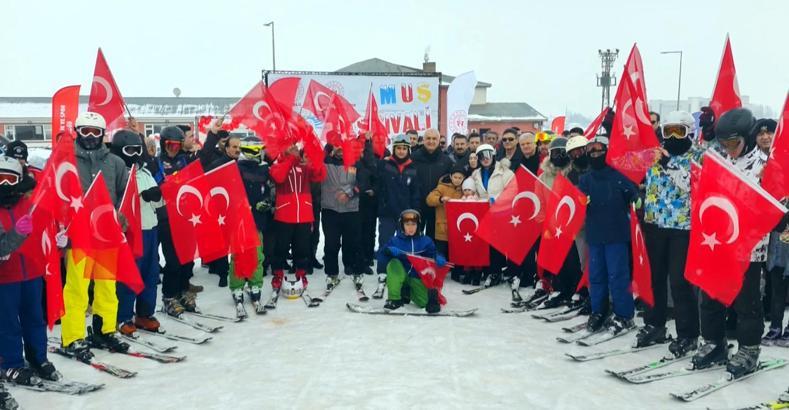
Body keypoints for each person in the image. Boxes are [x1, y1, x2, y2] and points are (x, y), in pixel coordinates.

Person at [691, 108, 770, 378]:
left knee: (746, 300)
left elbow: (772, 204)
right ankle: (714, 341)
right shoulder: (721, 161)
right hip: (718, 243)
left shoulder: (764, 165)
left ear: (747, 138)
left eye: (734, 144)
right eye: (724, 144)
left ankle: (749, 348)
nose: (729, 149)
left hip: (748, 247)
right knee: (711, 295)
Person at [61, 112, 130, 359]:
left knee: (107, 287)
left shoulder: (115, 163)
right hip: (78, 236)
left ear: (103, 134)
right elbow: (56, 195)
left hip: (106, 235)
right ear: (77, 132)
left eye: (96, 132)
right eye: (85, 131)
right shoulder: (65, 162)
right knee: (77, 289)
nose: (90, 136)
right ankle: (72, 337)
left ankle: (105, 330)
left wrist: (122, 215)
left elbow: (125, 193)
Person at [636, 111, 704, 354]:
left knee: (679, 282)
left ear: (689, 132)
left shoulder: (697, 155)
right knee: (653, 277)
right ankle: (655, 324)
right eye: (668, 131)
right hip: (655, 223)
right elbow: (627, 164)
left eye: (679, 131)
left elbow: (692, 185)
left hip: (682, 227)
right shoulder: (654, 153)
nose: (673, 137)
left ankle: (688, 334)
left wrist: (670, 165)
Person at [0, 156, 60, 385]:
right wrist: (17, 232)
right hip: (5, 277)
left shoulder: (31, 203)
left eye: (10, 179)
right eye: (0, 179)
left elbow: (48, 225)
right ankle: (11, 363)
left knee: (35, 319)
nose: (5, 185)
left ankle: (38, 358)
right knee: (7, 323)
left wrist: (60, 239)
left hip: (32, 273)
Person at [579, 135, 639, 336]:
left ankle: (624, 314)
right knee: (596, 276)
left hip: (616, 234)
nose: (595, 154)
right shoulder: (585, 178)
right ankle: (599, 310)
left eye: (599, 150)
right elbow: (578, 200)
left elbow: (634, 195)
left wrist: (637, 200)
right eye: (592, 151)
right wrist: (581, 201)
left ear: (607, 151)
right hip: (595, 234)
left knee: (618, 275)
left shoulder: (619, 175)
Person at [110, 130, 164, 336]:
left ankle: (144, 313)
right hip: (131, 232)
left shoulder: (145, 171)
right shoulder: (118, 171)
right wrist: (142, 196)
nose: (134, 154)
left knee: (150, 274)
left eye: (137, 150)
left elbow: (158, 201)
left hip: (150, 228)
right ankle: (123, 315)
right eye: (129, 150)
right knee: (129, 275)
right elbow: (121, 201)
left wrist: (157, 195)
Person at [269, 143, 326, 291]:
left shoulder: (304, 166)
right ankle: (278, 274)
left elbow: (319, 175)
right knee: (281, 248)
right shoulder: (277, 165)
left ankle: (301, 273)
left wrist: (315, 161)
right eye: (289, 146)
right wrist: (291, 160)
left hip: (304, 215)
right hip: (284, 215)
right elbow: (279, 178)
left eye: (294, 145)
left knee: (302, 248)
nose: (293, 147)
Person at [538, 138, 583, 307]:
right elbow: (540, 199)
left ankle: (576, 290)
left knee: (573, 259)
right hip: (553, 225)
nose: (559, 156)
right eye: (555, 152)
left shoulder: (573, 173)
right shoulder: (544, 176)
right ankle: (559, 288)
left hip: (572, 224)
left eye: (562, 152)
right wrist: (544, 220)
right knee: (557, 259)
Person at [320, 142, 371, 290]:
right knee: (331, 244)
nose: (341, 149)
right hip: (330, 209)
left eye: (344, 146)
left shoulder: (356, 162)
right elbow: (315, 172)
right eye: (337, 146)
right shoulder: (325, 162)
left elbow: (363, 181)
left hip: (351, 210)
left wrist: (349, 193)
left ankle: (358, 272)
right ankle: (331, 274)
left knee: (354, 243)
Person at [228, 142, 270, 317]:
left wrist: (266, 202)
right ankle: (237, 287)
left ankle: (255, 285)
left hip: (257, 221)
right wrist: (242, 205)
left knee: (257, 254)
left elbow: (267, 191)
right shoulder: (236, 168)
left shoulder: (264, 170)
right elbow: (230, 192)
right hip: (239, 220)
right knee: (239, 254)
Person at [378, 209, 445, 313]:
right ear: (402, 225)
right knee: (394, 264)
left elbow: (433, 253)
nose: (410, 227)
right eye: (407, 224)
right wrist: (388, 251)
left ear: (418, 225)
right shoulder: (395, 240)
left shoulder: (425, 241)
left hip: (417, 275)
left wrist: (438, 257)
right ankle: (394, 299)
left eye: (413, 224)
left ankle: (407, 292)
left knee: (424, 303)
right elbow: (381, 255)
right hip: (401, 272)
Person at [375, 135, 421, 280]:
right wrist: (381, 203)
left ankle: (404, 270)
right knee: (385, 242)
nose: (401, 151)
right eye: (398, 148)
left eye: (404, 148)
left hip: (406, 214)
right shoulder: (385, 165)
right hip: (387, 212)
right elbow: (378, 185)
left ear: (408, 150)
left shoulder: (413, 167)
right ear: (394, 149)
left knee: (405, 243)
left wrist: (415, 210)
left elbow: (415, 191)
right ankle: (383, 271)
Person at [470, 144, 514, 286]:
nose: (485, 159)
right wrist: (475, 198)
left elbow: (513, 189)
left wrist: (499, 199)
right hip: (485, 213)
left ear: (493, 155)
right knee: (488, 244)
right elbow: (474, 190)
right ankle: (492, 271)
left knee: (500, 244)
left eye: (488, 155)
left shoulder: (504, 171)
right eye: (482, 156)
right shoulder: (476, 174)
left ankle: (504, 271)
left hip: (502, 212)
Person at [205, 135, 243, 287]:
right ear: (226, 148)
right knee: (222, 243)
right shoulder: (217, 164)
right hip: (221, 211)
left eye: (239, 147)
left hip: (238, 210)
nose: (237, 150)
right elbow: (206, 181)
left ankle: (238, 271)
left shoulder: (242, 164)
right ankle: (222, 273)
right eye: (234, 147)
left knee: (237, 242)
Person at [411, 129, 453, 240]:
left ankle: (430, 258)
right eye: (428, 138)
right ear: (423, 140)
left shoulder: (446, 160)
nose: (431, 141)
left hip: (436, 206)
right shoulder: (414, 158)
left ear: (439, 141)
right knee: (414, 237)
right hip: (417, 205)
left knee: (432, 240)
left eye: (434, 139)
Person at [426, 163, 465, 281]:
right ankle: (438, 273)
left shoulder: (464, 190)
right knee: (440, 253)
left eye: (460, 178)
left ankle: (456, 273)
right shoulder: (442, 187)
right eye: (455, 177)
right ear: (451, 176)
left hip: (457, 229)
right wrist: (440, 199)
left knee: (456, 253)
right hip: (441, 228)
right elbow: (429, 199)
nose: (457, 180)